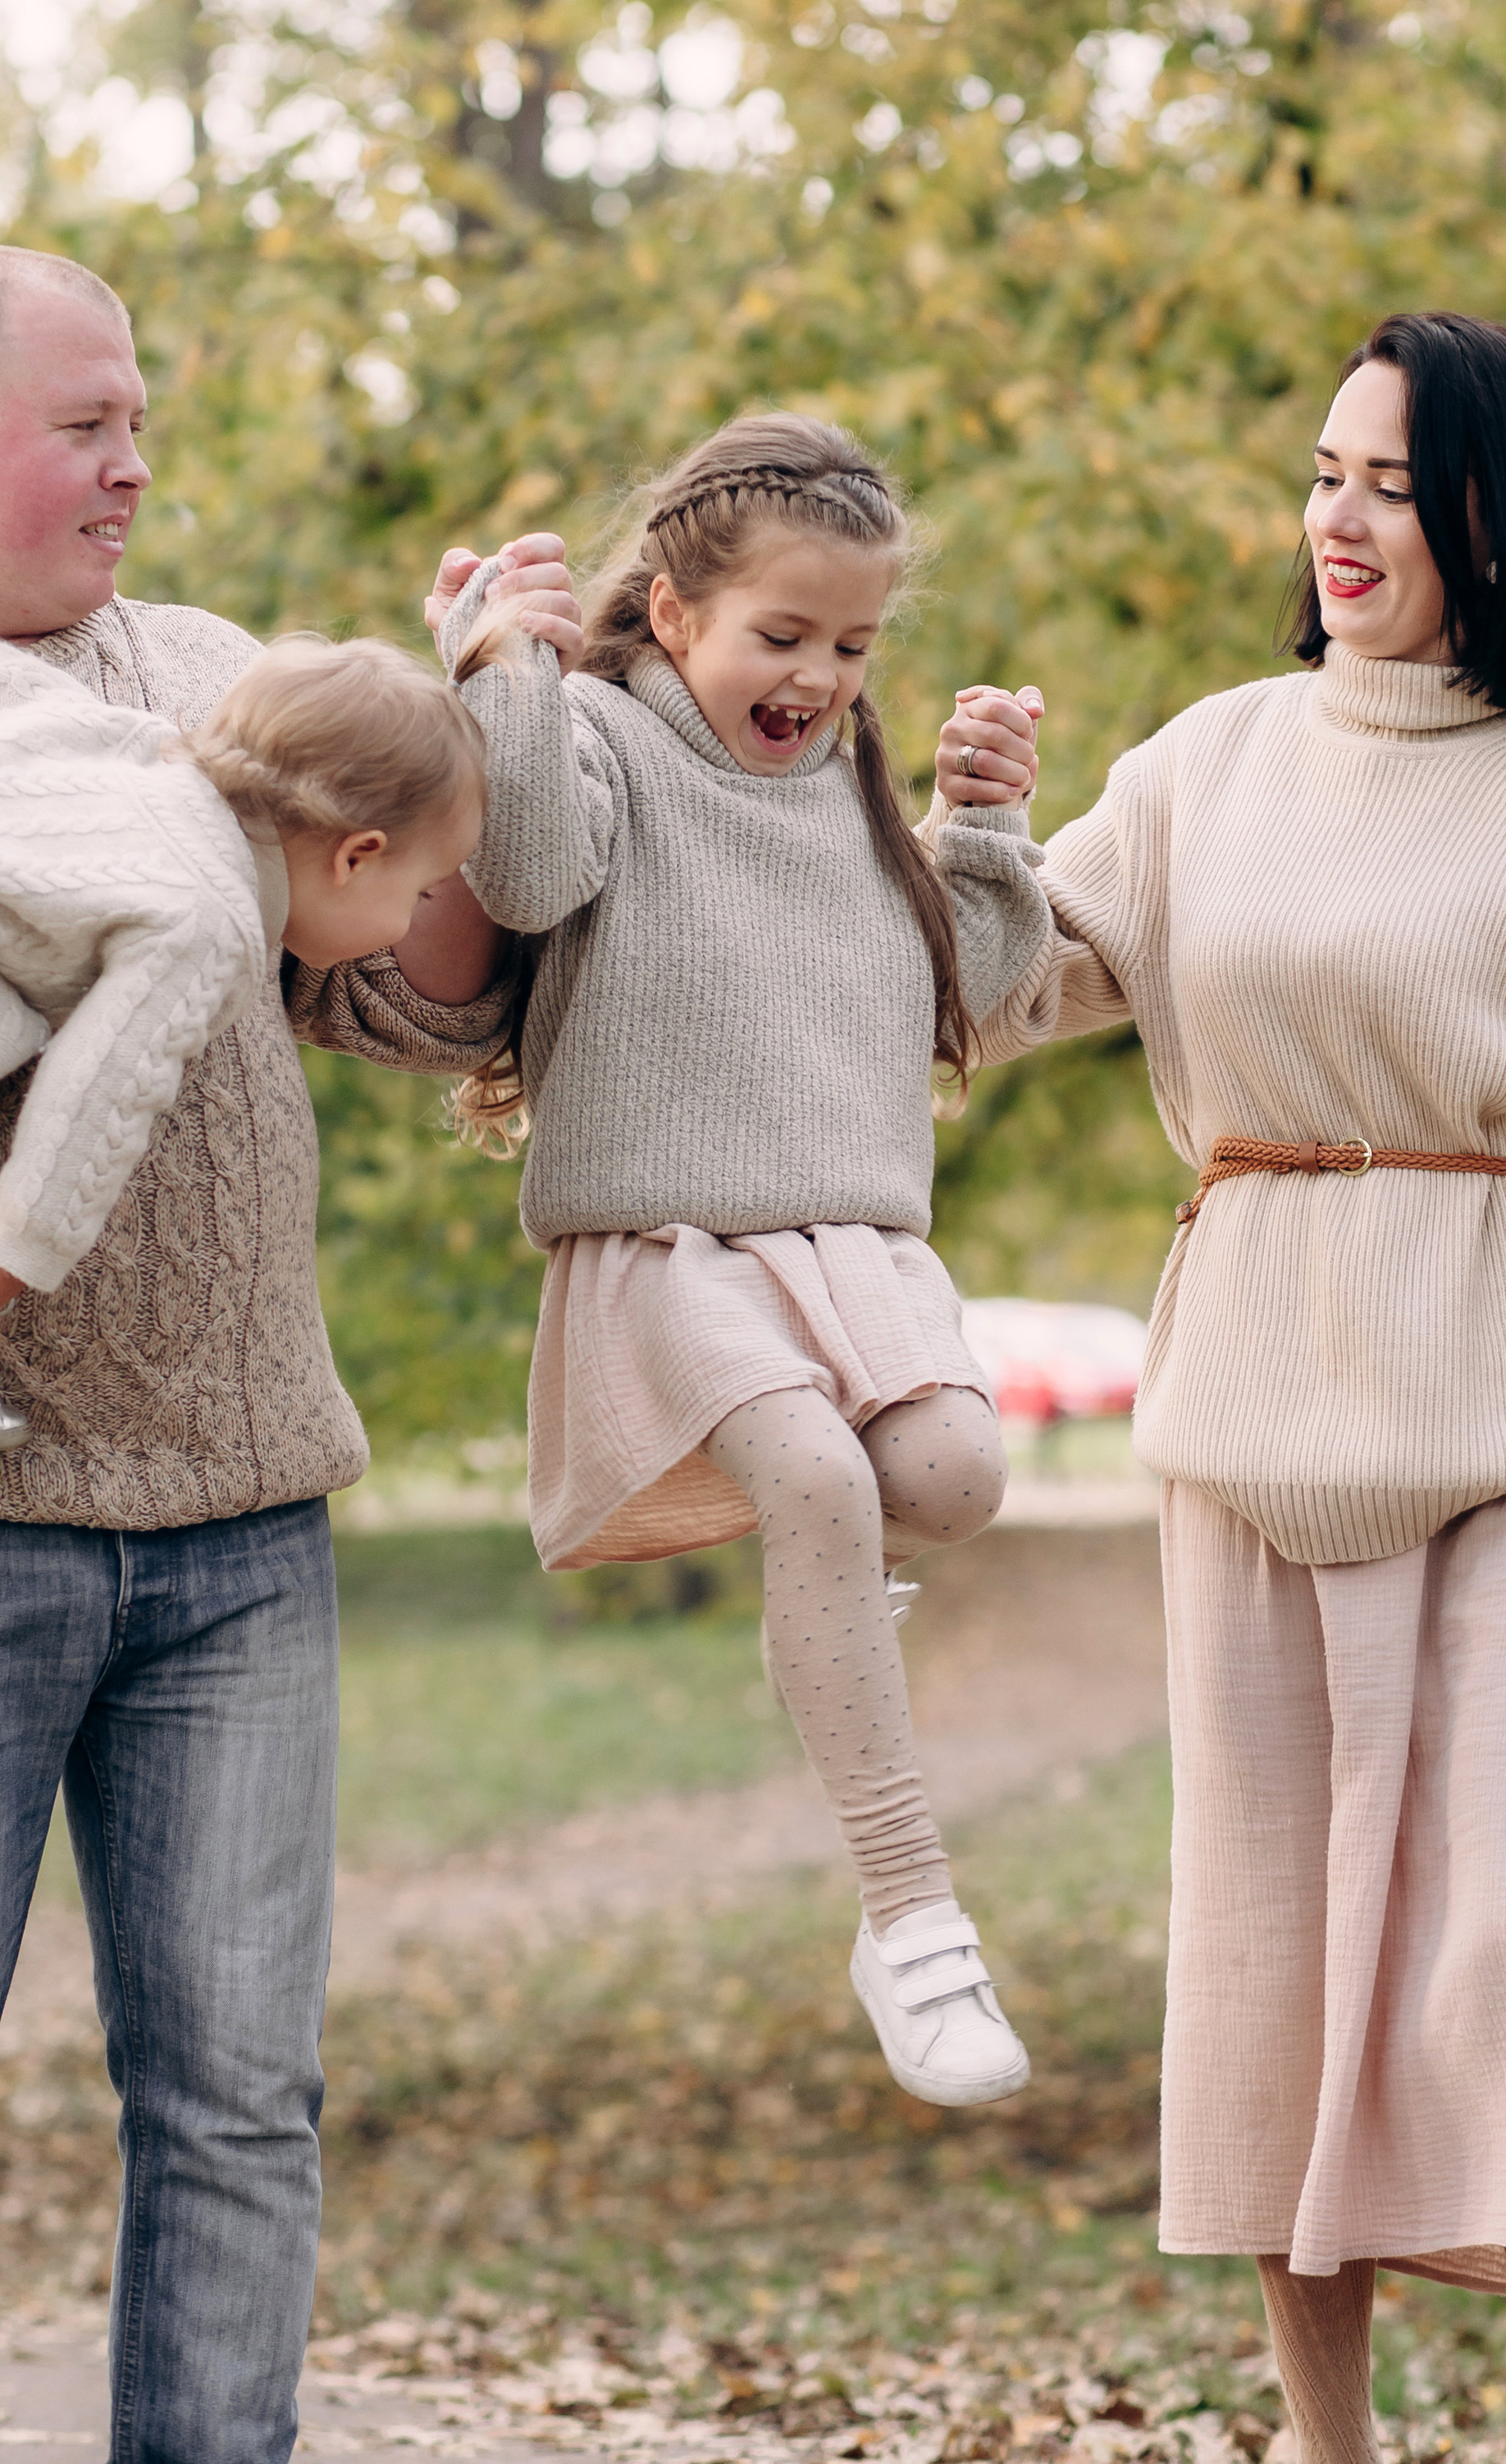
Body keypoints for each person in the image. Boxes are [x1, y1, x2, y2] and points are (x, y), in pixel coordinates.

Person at [933, 313, 1506, 2464]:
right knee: (1271, 1943)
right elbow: (978, 998)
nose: (1343, 519)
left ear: (1499, 527)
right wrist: (972, 835)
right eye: (1329, 474)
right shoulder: (1208, 766)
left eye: (1396, 484)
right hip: (1256, 1388)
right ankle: (1326, 2450)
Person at [0, 243, 569, 2464]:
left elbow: (433, 992)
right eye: (83, 424)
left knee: (237, 2109)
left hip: (236, 1526)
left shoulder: (224, 683)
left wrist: (497, 710)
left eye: (141, 421)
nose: (133, 464)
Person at [431, 413, 1050, 2107]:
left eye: (851, 646)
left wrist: (979, 822)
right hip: (668, 1243)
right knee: (815, 1481)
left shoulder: (850, 803)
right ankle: (909, 1919)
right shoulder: (608, 743)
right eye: (783, 636)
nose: (820, 676)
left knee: (951, 1473)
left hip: (842, 1248)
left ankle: (829, 1615)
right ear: (678, 608)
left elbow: (979, 996)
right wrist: (500, 667)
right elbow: (526, 863)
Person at [0, 605, 485, 1461]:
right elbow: (105, 1085)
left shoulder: (134, 746)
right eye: (422, 892)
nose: (406, 925)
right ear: (355, 854)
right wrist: (24, 1243)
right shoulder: (210, 917)